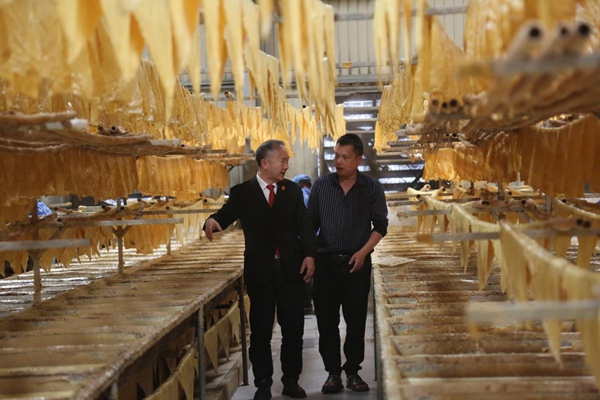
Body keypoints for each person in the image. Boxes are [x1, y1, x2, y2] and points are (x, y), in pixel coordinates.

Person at [203, 140, 316, 400]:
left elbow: (305, 224)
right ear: (265, 164)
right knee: (261, 331)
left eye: (287, 161)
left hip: (290, 271)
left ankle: (291, 381)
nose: (286, 165)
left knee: (293, 330)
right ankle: (263, 384)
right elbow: (225, 214)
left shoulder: (292, 190)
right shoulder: (243, 192)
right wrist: (212, 220)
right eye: (282, 161)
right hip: (260, 272)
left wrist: (310, 254)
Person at [307, 133, 388, 394]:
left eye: (345, 157)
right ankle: (332, 373)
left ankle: (353, 371)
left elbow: (381, 226)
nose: (338, 162)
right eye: (336, 156)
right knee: (327, 321)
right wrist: (309, 255)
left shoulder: (371, 187)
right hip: (326, 264)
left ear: (358, 160)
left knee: (355, 320)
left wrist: (363, 253)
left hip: (357, 264)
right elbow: (310, 224)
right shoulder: (322, 185)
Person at [292, 174, 314, 314]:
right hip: (315, 241)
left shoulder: (299, 197)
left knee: (303, 273)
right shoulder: (313, 196)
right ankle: (308, 302)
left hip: (301, 242)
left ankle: (305, 304)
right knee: (310, 273)